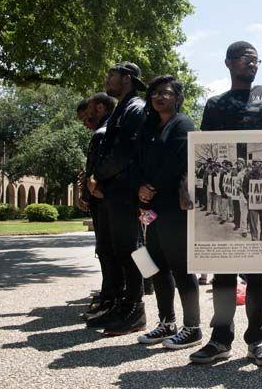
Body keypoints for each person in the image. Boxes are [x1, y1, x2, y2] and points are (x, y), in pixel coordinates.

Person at [189, 41, 262, 367]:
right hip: (234, 196)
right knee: (223, 277)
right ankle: (220, 340)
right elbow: (202, 145)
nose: (253, 64)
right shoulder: (215, 104)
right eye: (246, 59)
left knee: (258, 275)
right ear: (229, 62)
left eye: (257, 60)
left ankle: (258, 341)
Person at [133, 75, 202, 349]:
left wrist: (152, 186)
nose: (160, 97)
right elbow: (138, 159)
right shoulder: (148, 125)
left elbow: (177, 162)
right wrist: (140, 187)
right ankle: (166, 322)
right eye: (155, 93)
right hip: (150, 207)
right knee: (157, 266)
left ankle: (193, 327)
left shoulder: (182, 124)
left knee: (182, 267)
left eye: (167, 93)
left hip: (174, 206)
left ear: (177, 98)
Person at [86, 61, 148, 336]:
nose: (106, 79)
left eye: (111, 75)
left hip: (125, 190)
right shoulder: (123, 108)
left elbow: (123, 153)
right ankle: (124, 304)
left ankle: (136, 309)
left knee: (130, 249)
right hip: (115, 190)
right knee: (118, 249)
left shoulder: (135, 108)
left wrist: (97, 176)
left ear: (127, 78)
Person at [78, 93, 122, 321]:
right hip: (107, 199)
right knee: (111, 250)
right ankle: (112, 295)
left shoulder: (103, 133)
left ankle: (112, 298)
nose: (87, 119)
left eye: (89, 114)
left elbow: (94, 169)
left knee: (108, 250)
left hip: (103, 199)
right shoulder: (110, 130)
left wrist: (86, 194)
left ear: (101, 108)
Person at [242, 159, 262, 241]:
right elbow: (244, 187)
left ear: (261, 164)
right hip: (253, 202)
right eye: (253, 163)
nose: (254, 165)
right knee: (253, 221)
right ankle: (254, 237)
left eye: (256, 163)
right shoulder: (248, 175)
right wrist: (247, 196)